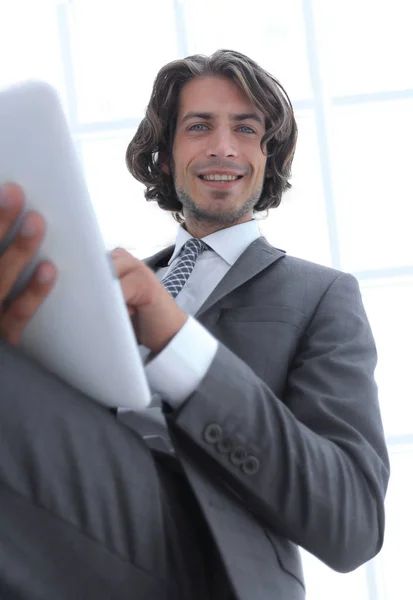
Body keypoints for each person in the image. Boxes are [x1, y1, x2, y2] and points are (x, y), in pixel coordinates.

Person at [0, 49, 389, 600]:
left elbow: (353, 519)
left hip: (202, 554)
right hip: (57, 515)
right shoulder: (100, 281)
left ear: (267, 157)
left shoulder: (321, 295)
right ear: (165, 156)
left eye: (246, 129)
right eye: (199, 126)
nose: (223, 147)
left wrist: (176, 342)